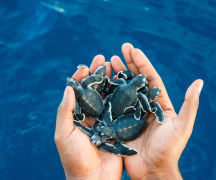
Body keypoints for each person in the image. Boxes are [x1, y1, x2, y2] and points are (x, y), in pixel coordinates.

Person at [54, 43, 204, 180]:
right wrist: (159, 173)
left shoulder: (116, 102)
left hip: (121, 115)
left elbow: (111, 103)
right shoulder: (121, 110)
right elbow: (110, 107)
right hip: (120, 117)